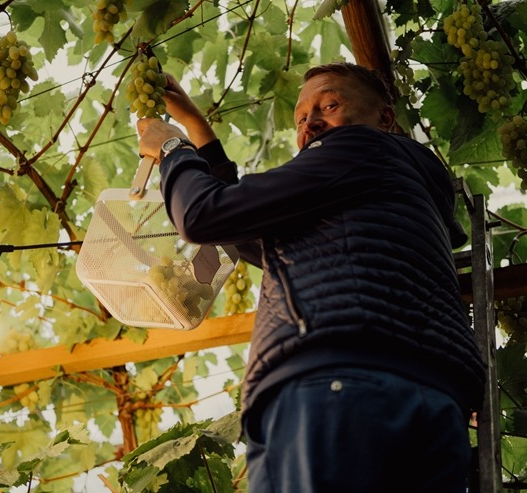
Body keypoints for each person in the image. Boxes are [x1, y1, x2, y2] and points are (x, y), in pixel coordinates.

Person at [137, 62, 486, 493]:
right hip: (423, 401)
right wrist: (197, 128)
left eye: (330, 104)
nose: (311, 123)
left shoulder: (358, 149)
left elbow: (204, 215)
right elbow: (244, 233)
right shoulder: (381, 195)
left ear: (384, 119)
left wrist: (173, 148)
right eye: (301, 117)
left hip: (339, 389)